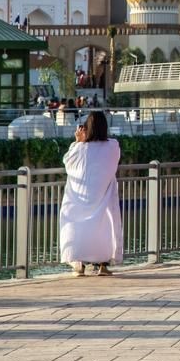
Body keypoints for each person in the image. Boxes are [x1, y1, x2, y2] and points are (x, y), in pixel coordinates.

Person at [59, 111, 122, 277]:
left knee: (77, 226)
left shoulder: (80, 148)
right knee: (104, 226)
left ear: (87, 128)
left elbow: (68, 162)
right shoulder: (113, 146)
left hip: (78, 196)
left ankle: (79, 265)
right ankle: (103, 265)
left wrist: (78, 141)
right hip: (103, 195)